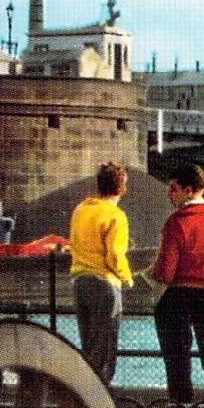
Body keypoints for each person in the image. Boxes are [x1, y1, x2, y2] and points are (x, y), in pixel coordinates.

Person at [150, 162, 204, 403]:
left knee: (176, 349)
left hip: (180, 293)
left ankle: (180, 399)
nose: (170, 194)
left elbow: (167, 270)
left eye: (173, 189)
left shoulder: (177, 222)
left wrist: (153, 283)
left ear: (188, 191)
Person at [68, 161, 133, 385]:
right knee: (104, 348)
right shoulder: (116, 216)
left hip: (80, 283)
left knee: (88, 347)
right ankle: (101, 396)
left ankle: (85, 394)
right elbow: (114, 255)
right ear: (122, 189)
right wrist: (127, 278)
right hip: (105, 284)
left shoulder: (81, 209)